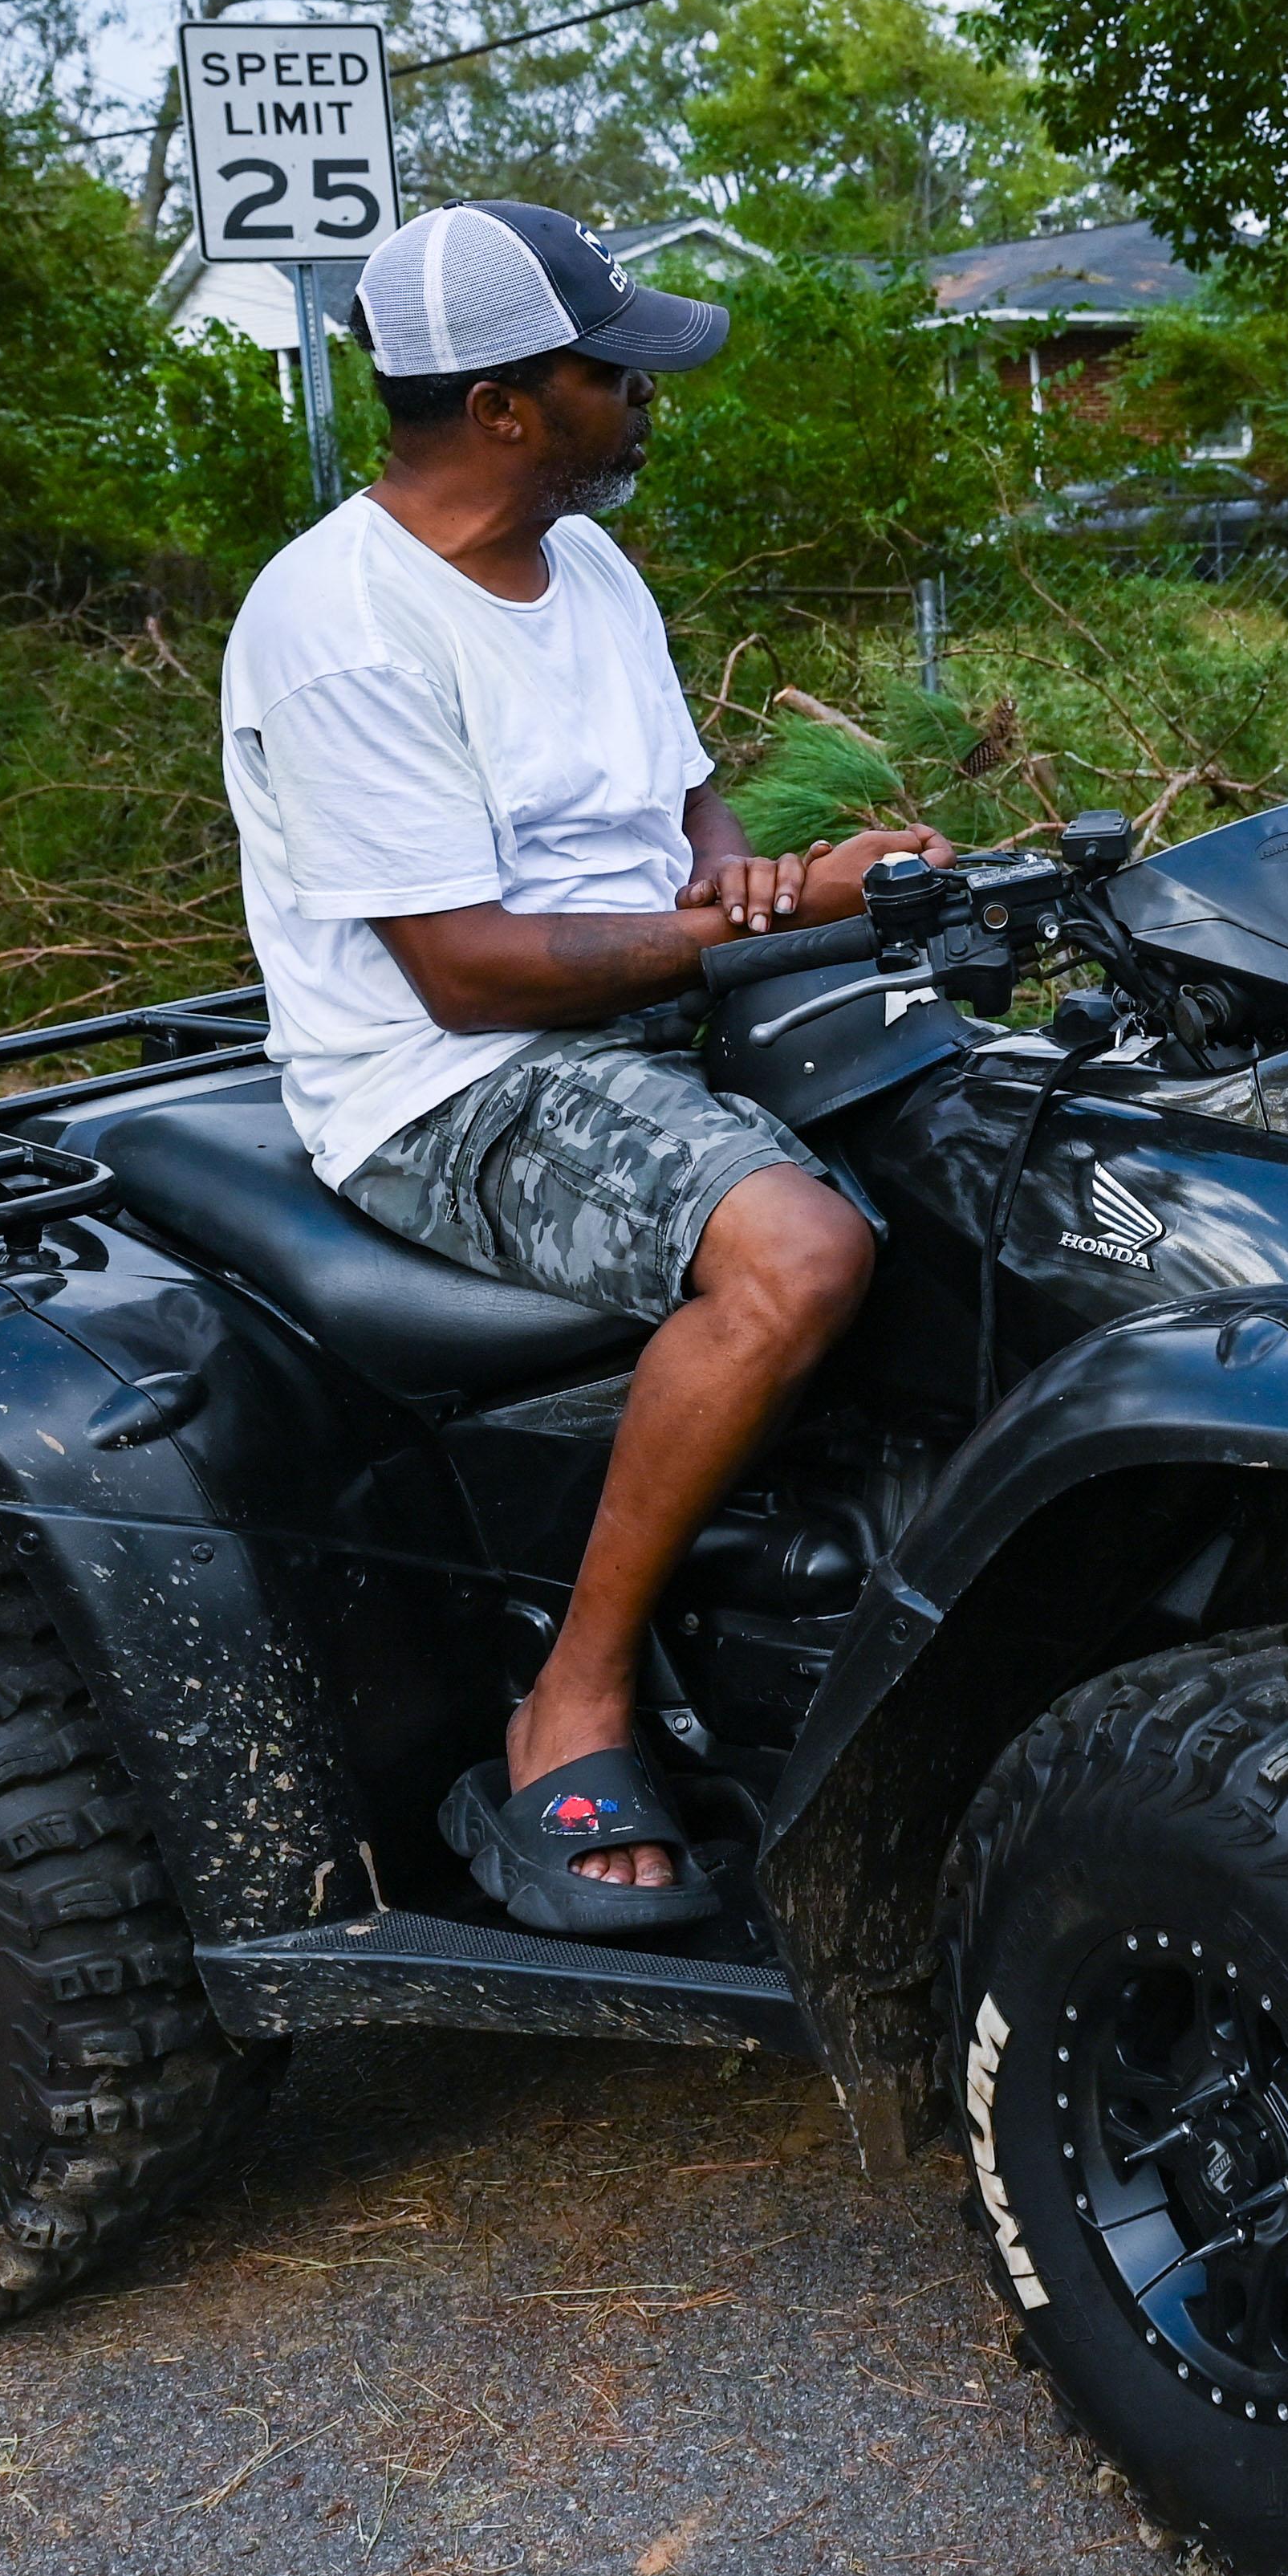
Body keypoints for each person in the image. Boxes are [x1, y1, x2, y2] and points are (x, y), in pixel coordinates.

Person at [220, 201, 949, 1936]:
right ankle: (578, 1691)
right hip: (444, 1083)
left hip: (638, 1013)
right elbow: (465, 974)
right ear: (502, 407)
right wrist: (748, 932)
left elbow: (683, 803)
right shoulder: (339, 622)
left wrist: (750, 876)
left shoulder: (588, 560)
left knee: (1017, 1140)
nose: (646, 402)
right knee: (801, 1250)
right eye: (613, 375)